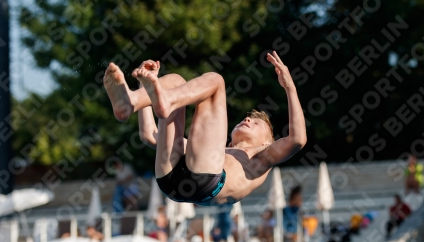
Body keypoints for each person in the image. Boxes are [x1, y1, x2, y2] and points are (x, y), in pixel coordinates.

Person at [104, 51, 307, 207]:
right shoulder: (220, 152)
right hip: (170, 180)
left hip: (208, 183)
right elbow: (149, 135)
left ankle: (162, 100)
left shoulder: (262, 156)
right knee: (175, 80)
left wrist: (290, 87)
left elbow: (297, 139)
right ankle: (131, 101)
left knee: (216, 81)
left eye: (256, 123)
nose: (247, 118)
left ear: (267, 142)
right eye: (248, 118)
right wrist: (143, 84)